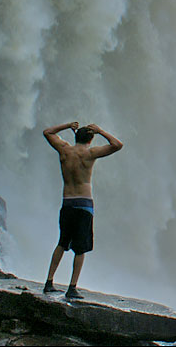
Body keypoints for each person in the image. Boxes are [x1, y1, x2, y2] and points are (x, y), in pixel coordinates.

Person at [41, 121, 123, 299]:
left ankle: (49, 282)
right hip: (84, 204)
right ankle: (72, 287)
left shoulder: (64, 150)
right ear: (90, 139)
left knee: (62, 243)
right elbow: (117, 145)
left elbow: (47, 131)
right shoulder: (90, 153)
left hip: (67, 202)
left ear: (75, 137)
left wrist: (66, 125)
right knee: (80, 248)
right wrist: (101, 130)